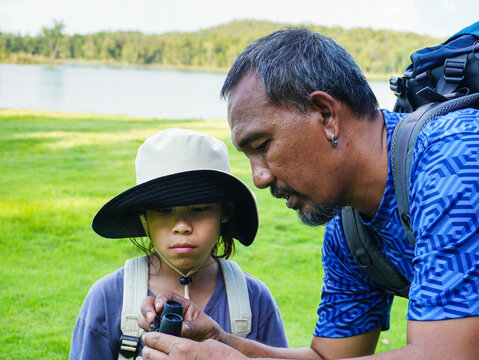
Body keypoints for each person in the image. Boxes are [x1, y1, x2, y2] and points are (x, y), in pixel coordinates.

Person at [137, 28, 479, 359]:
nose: (259, 178)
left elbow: (448, 354)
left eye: (262, 145)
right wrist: (220, 341)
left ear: (326, 115)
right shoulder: (350, 231)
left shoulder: (455, 159)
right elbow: (328, 356)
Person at [69, 128, 288, 360]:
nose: (182, 225)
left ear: (225, 212)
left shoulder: (254, 299)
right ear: (144, 220)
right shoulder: (108, 298)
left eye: (199, 208)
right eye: (164, 210)